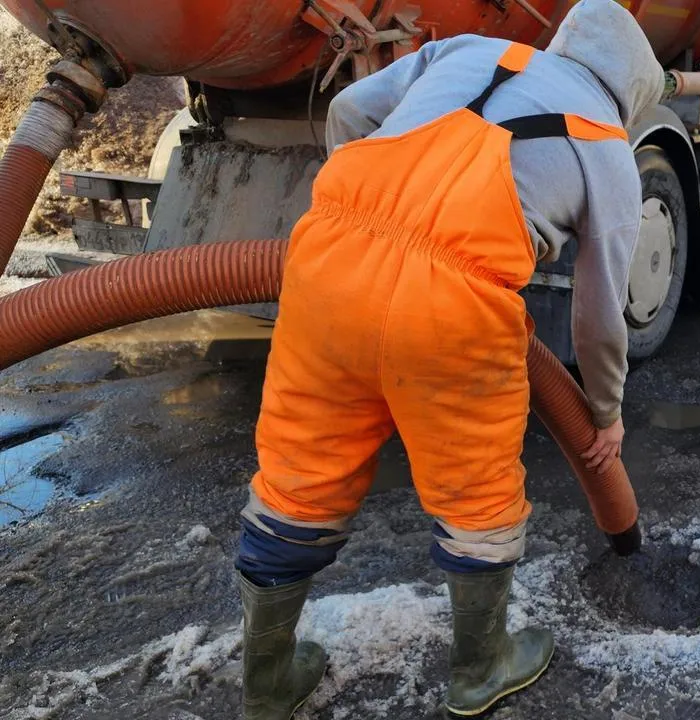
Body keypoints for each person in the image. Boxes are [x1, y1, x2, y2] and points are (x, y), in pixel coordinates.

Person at [230, 2, 665, 717]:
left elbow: (345, 109)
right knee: (476, 492)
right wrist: (606, 415)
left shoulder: (465, 49)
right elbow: (596, 317)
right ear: (632, 91)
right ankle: (478, 669)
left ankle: (267, 679)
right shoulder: (605, 147)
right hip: (454, 304)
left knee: (299, 471)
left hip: (326, 264)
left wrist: (367, 221)